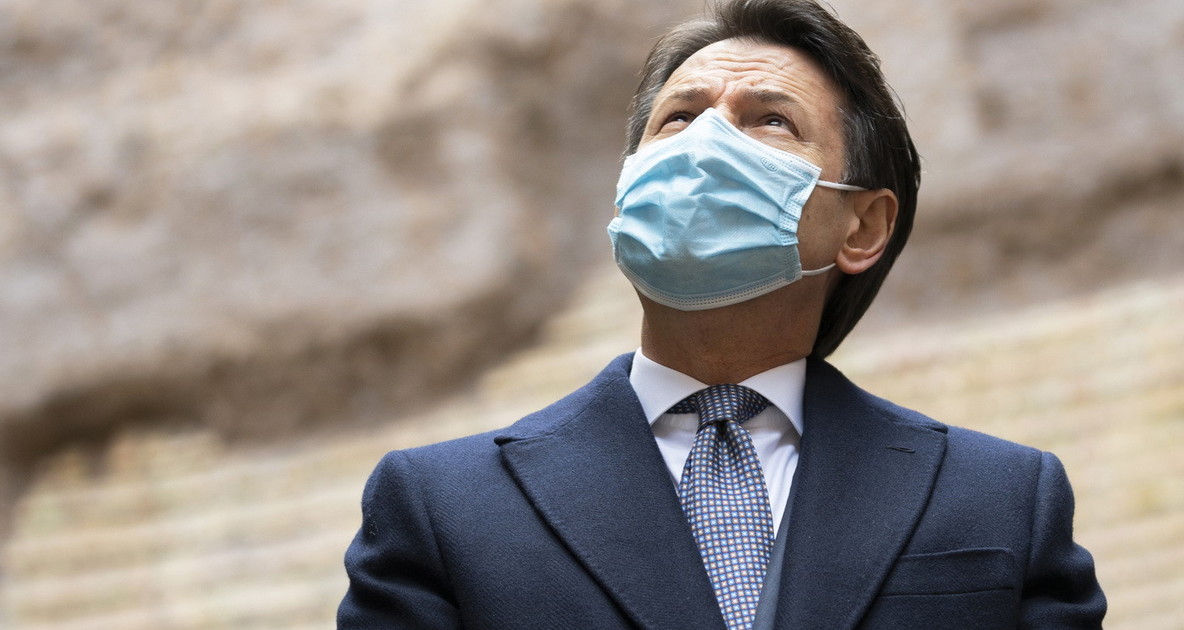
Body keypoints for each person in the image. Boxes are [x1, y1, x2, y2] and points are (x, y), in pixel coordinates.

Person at [337, 0, 1106, 627]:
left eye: (771, 120)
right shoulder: (442, 507)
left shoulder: (1000, 498)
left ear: (862, 227)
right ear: (628, 183)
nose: (703, 146)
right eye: (678, 118)